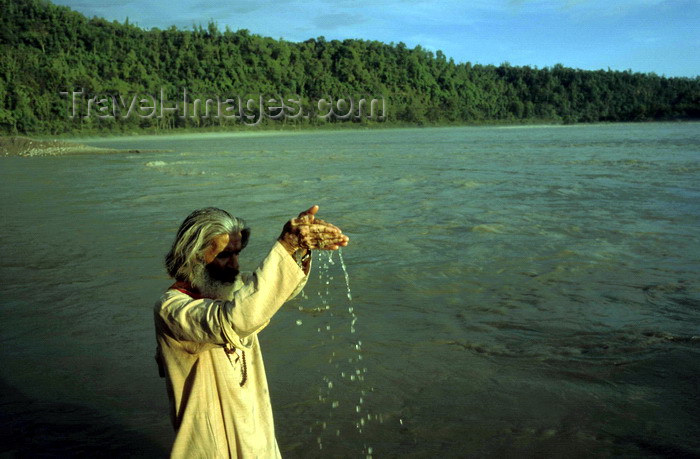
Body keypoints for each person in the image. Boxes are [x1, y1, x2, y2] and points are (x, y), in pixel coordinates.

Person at [154, 205, 349, 458]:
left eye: (237, 254)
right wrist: (285, 246)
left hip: (255, 434)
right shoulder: (172, 309)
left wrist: (300, 247)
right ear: (193, 255)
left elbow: (272, 292)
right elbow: (236, 319)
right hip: (211, 446)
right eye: (224, 255)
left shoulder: (229, 290)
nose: (235, 265)